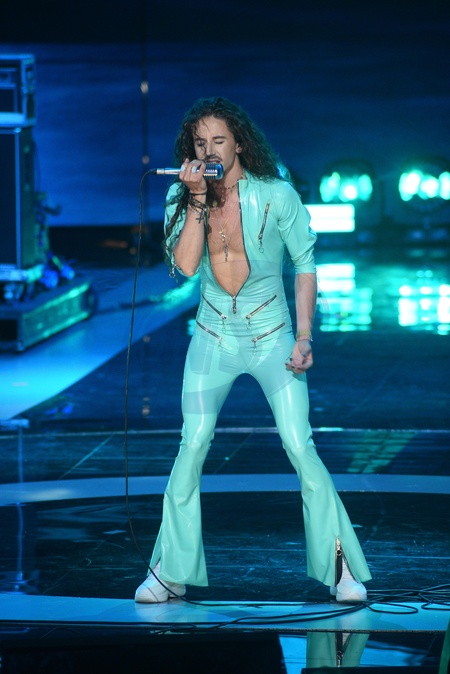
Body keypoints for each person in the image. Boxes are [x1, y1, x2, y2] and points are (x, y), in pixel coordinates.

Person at [135, 96, 372, 604]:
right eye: (200, 142)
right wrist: (196, 200)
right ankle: (170, 570)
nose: (209, 151)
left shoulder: (276, 194)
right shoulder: (181, 195)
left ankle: (341, 567)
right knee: (192, 444)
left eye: (219, 140)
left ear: (239, 143)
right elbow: (185, 266)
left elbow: (305, 264)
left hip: (272, 335)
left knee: (299, 445)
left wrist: (304, 336)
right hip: (212, 336)